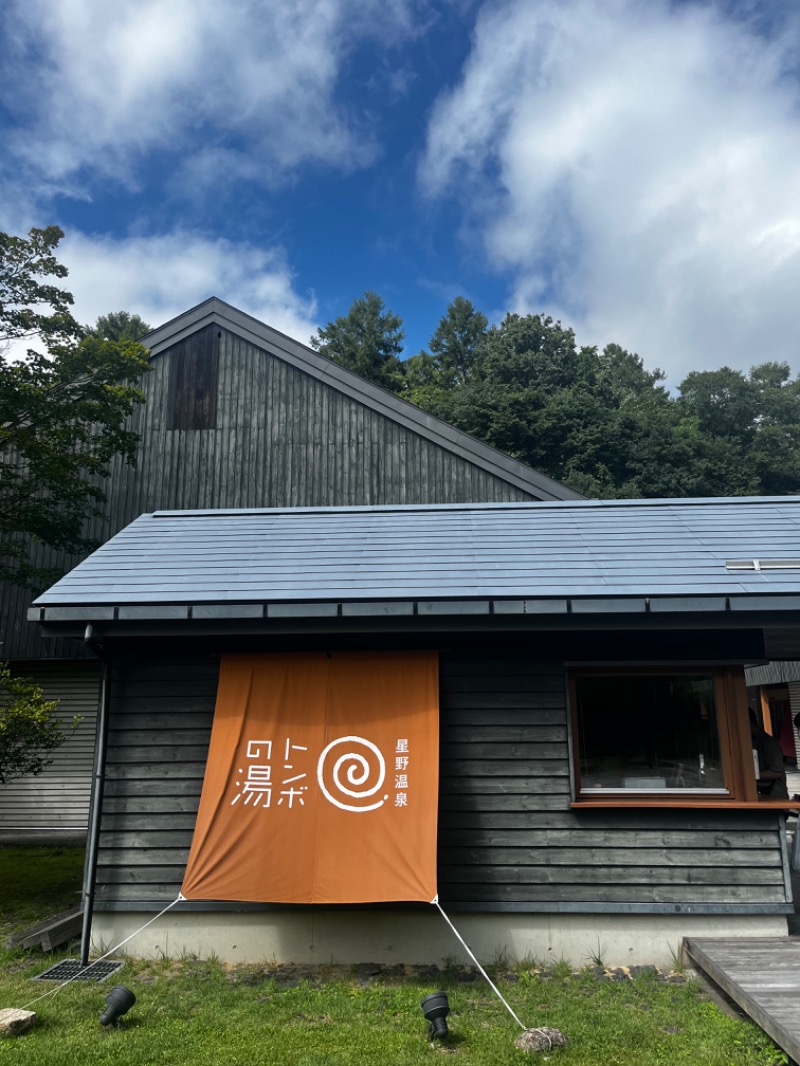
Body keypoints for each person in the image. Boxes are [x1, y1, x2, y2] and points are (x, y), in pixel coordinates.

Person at [749, 709, 789, 799]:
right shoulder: (750, 741)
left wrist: (751, 775)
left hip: (774, 796)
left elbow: (777, 772)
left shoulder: (768, 743)